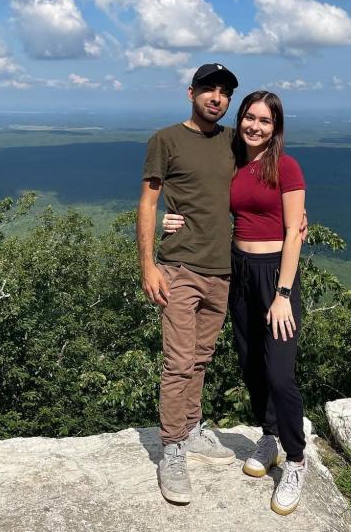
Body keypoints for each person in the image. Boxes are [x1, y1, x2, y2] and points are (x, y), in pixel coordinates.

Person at [163, 90, 308, 516]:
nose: (255, 126)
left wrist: (282, 294)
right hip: (238, 269)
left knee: (280, 373)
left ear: (276, 127)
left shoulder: (286, 165)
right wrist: (172, 218)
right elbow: (202, 199)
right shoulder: (236, 161)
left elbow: (294, 230)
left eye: (265, 121)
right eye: (249, 117)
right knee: (250, 364)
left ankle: (297, 460)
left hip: (274, 276)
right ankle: (269, 437)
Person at [137, 63, 239, 505]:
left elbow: (266, 180)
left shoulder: (235, 140)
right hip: (179, 267)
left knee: (201, 357)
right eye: (208, 90)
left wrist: (299, 214)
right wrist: (148, 265)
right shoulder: (166, 139)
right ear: (190, 93)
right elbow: (148, 201)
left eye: (224, 92)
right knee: (178, 362)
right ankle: (171, 449)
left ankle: (193, 428)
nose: (216, 98)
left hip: (223, 270)